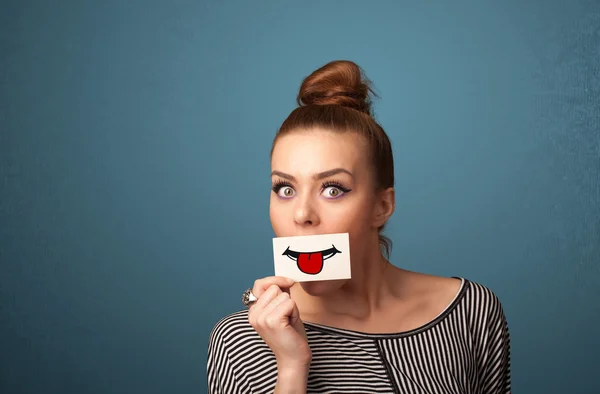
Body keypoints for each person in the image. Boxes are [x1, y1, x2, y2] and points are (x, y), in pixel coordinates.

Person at [207, 60, 511, 394]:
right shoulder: (240, 341)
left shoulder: (471, 311)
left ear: (382, 207)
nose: (302, 213)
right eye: (285, 189)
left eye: (333, 189)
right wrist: (292, 367)